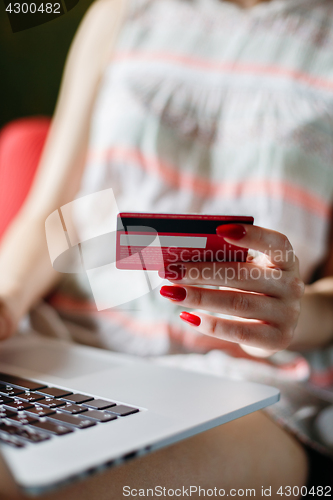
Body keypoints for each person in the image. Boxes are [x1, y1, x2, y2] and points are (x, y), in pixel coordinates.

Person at [1, 0, 333, 496]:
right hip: (63, 348)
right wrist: (4, 302)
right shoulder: (120, 11)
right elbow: (53, 215)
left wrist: (288, 311)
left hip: (249, 383)